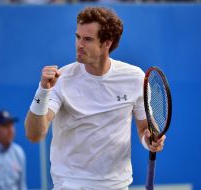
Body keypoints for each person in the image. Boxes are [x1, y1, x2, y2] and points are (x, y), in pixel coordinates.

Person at [25, 7, 166, 190]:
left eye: (88, 39)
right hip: (71, 184)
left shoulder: (135, 78)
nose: (79, 44)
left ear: (107, 43)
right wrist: (42, 91)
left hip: (117, 184)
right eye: (77, 37)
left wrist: (148, 141)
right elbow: (34, 134)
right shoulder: (62, 79)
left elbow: (144, 129)